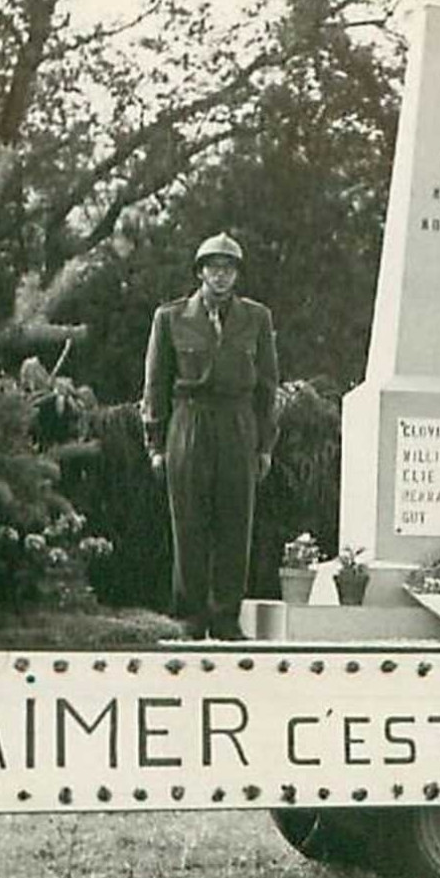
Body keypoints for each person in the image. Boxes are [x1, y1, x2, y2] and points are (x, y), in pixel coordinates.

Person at [142, 232, 280, 640]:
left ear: (236, 275)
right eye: (213, 268)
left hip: (238, 422)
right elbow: (155, 384)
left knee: (236, 522)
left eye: (228, 269)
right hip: (190, 421)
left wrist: (265, 445)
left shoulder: (256, 318)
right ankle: (190, 616)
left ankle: (225, 618)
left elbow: (268, 386)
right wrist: (155, 442)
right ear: (200, 272)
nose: (221, 276)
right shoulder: (170, 318)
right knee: (189, 522)